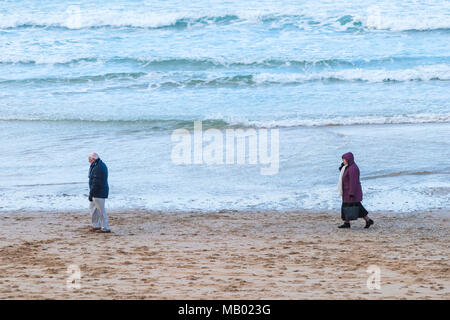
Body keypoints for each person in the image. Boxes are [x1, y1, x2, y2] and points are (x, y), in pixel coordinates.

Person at [337, 152, 374, 229]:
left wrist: (351, 192)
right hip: (347, 191)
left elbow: (353, 182)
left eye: (344, 159)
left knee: (355, 207)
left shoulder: (353, 168)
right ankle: (347, 223)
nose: (343, 161)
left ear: (348, 159)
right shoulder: (348, 167)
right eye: (343, 159)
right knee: (347, 206)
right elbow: (344, 174)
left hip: (351, 192)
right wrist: (342, 167)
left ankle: (367, 220)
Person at [88, 152, 111, 233]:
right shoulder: (97, 165)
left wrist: (91, 193)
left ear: (93, 159)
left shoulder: (99, 167)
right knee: (93, 208)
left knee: (101, 211)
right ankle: (96, 225)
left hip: (99, 192)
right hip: (97, 191)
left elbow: (96, 182)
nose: (88, 161)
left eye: (89, 159)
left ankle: (105, 228)